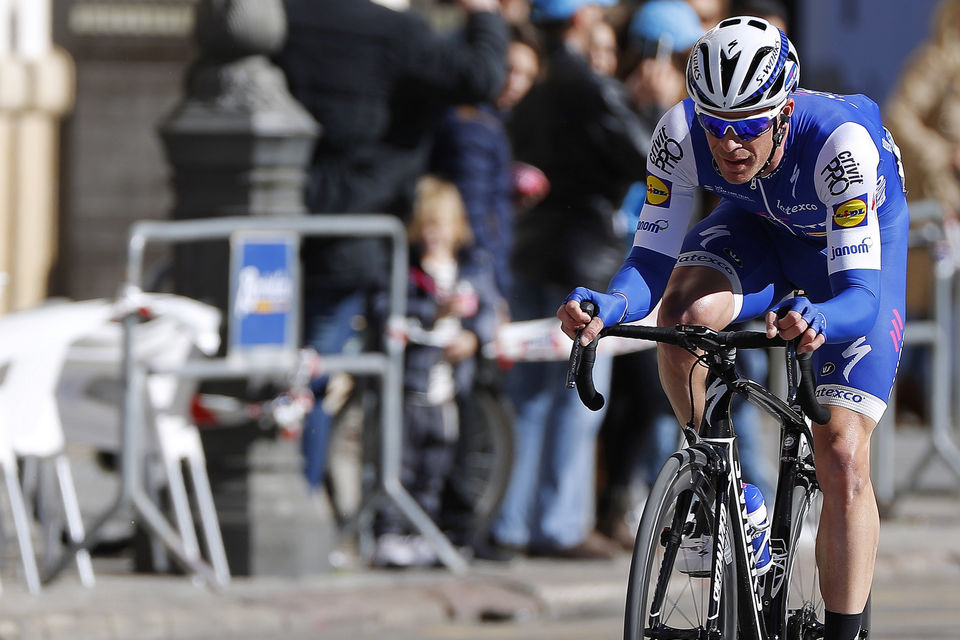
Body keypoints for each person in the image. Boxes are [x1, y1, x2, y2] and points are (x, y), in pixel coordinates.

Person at [558, 16, 909, 640]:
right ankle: (720, 481)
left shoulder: (840, 143)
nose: (729, 144)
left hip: (849, 258)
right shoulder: (678, 133)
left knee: (842, 454)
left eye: (747, 128)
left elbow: (859, 295)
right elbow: (651, 260)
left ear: (783, 110)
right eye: (716, 126)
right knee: (685, 317)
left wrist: (818, 318)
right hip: (759, 229)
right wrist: (610, 306)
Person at [273, 0, 507, 490]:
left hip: (279, 222)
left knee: (276, 373)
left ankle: (291, 496)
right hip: (351, 234)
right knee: (312, 376)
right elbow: (483, 76)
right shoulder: (396, 35)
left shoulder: (284, 18)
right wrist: (484, 13)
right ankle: (301, 498)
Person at [489, 0, 652, 560]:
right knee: (578, 396)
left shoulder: (533, 76)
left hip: (533, 249)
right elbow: (646, 156)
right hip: (584, 259)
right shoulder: (590, 84)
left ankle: (511, 521)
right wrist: (651, 108)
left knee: (529, 396)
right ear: (581, 20)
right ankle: (557, 525)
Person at [372, 176, 499, 567]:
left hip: (448, 388)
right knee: (403, 461)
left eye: (440, 225)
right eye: (426, 225)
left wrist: (473, 338)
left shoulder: (472, 268)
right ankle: (391, 532)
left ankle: (423, 531)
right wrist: (433, 313)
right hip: (410, 386)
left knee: (437, 463)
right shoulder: (405, 270)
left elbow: (490, 310)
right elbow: (384, 311)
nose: (433, 234)